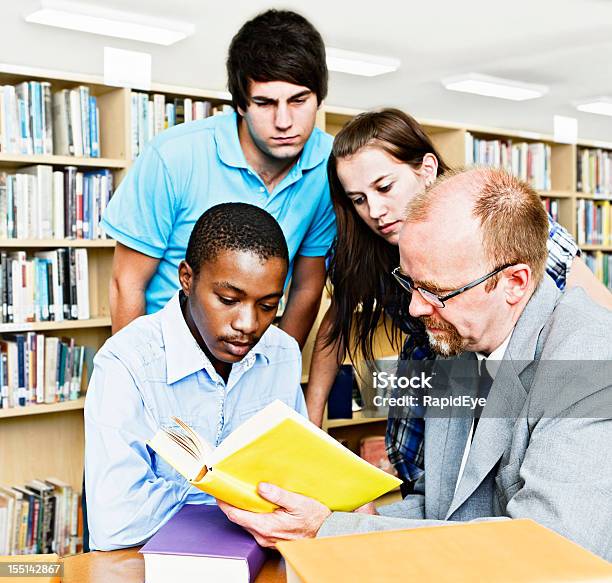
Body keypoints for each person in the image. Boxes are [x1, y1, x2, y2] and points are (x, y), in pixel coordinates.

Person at [218, 168, 612, 561]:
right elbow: (438, 508)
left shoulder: (591, 358)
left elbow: (550, 553)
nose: (415, 308)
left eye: (438, 291)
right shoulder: (458, 339)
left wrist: (330, 530)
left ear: (515, 282)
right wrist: (342, 516)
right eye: (410, 282)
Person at [304, 109, 612, 492]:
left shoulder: (499, 225)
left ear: (426, 168)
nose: (375, 211)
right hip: (429, 380)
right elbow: (334, 331)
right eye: (358, 199)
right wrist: (311, 430)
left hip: (501, 390)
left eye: (385, 188)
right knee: (424, 497)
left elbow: (600, 319)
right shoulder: (368, 248)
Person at [101, 9, 334, 348]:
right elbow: (127, 283)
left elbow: (307, 287)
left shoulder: (330, 165)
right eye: (265, 103)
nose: (284, 121)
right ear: (240, 104)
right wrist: (136, 379)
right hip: (166, 350)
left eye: (299, 100)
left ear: (319, 98)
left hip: (250, 349)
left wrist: (276, 371)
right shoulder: (173, 156)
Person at [84, 203, 307, 551]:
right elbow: (117, 522)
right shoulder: (125, 363)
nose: (247, 324)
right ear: (187, 278)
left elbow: (297, 486)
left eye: (267, 306)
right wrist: (236, 495)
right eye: (228, 299)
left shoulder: (283, 354)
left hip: (259, 560)